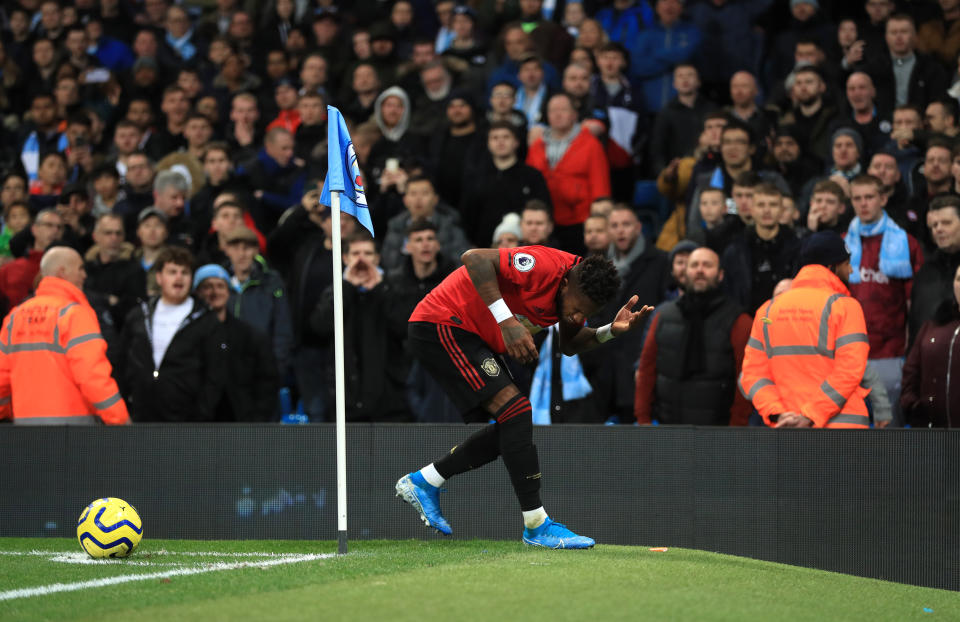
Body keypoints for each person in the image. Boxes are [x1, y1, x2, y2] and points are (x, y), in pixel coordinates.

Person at [397, 245, 653, 547]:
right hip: (441, 322)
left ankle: (425, 482)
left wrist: (610, 331)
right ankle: (537, 525)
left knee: (513, 423)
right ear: (567, 282)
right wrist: (507, 322)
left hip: (473, 336)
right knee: (516, 412)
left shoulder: (576, 296)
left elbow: (569, 344)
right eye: (577, 307)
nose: (577, 315)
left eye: (586, 313)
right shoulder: (542, 266)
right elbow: (474, 258)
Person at [740, 231, 871, 429]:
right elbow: (850, 371)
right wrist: (811, 415)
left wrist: (779, 414)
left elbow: (753, 375)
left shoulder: (767, 311)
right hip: (842, 431)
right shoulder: (845, 307)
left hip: (787, 431)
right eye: (846, 263)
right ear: (831, 267)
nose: (851, 270)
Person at [0, 247, 129, 425]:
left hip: (25, 431)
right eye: (80, 269)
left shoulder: (15, 316)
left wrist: (6, 414)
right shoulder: (74, 314)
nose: (84, 275)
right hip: (73, 435)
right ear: (62, 272)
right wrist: (120, 420)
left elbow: (2, 379)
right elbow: (92, 376)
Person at [635, 245, 752, 426]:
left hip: (720, 431)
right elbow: (646, 370)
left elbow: (745, 377)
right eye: (694, 265)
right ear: (685, 273)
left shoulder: (739, 320)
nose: (700, 270)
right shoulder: (663, 316)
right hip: (669, 427)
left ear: (720, 275)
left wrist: (738, 426)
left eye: (707, 265)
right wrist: (643, 419)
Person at [845, 174, 923, 425]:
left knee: (889, 434)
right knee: (848, 434)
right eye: (857, 198)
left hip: (890, 352)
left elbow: (915, 304)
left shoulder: (906, 244)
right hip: (847, 354)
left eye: (869, 197)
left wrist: (909, 353)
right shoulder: (841, 244)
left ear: (883, 199)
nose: (863, 203)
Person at [311, 232, 411, 422]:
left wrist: (380, 290)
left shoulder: (394, 288)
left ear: (378, 258)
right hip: (345, 401)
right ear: (345, 258)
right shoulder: (335, 291)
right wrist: (347, 287)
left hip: (389, 401)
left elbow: (404, 328)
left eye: (368, 253)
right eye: (356, 253)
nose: (361, 260)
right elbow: (319, 327)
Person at [119, 246, 222, 422]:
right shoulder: (138, 315)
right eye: (172, 272)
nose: (179, 278)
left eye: (185, 272)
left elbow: (216, 372)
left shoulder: (207, 319)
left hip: (187, 419)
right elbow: (122, 362)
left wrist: (202, 413)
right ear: (159, 277)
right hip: (141, 413)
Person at [194, 263, 279, 422]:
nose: (214, 292)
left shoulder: (250, 335)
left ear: (228, 291)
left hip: (242, 422)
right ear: (197, 292)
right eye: (207, 286)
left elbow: (267, 381)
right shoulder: (188, 335)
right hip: (199, 423)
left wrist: (257, 417)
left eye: (220, 286)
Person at [526, 93, 611, 253]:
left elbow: (600, 183)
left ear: (574, 114)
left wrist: (598, 217)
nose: (557, 114)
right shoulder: (537, 144)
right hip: (546, 221)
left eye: (563, 109)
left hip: (580, 220)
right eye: (553, 110)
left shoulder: (591, 144)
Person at [222, 226, 293, 377]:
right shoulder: (218, 283)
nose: (241, 254)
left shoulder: (272, 282)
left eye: (247, 248)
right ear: (227, 250)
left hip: (262, 369)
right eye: (236, 248)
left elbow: (283, 328)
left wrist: (276, 368)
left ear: (256, 251)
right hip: (225, 370)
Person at [901, 263, 960, 428]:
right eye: (958, 279)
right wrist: (912, 404)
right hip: (931, 434)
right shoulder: (934, 326)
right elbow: (911, 371)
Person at [911, 195, 960, 342]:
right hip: (928, 359)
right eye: (934, 225)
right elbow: (916, 323)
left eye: (946, 223)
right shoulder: (925, 272)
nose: (938, 229)